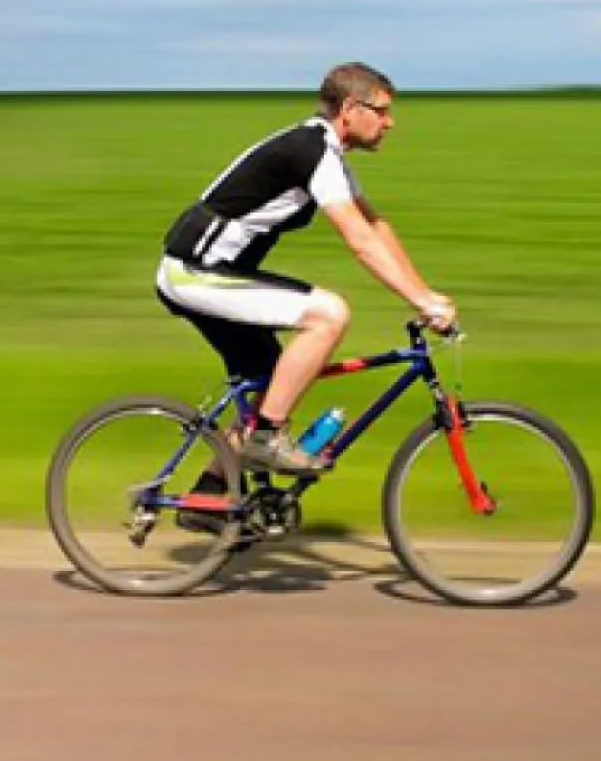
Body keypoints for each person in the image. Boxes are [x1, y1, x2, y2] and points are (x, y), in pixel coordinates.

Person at [154, 62, 457, 522]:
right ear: (351, 109)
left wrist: (425, 291)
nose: (390, 122)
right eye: (382, 111)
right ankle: (267, 437)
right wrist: (421, 303)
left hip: (213, 274)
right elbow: (359, 242)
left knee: (277, 385)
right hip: (194, 273)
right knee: (329, 314)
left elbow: (376, 227)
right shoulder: (313, 150)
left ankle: (208, 498)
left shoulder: (326, 153)